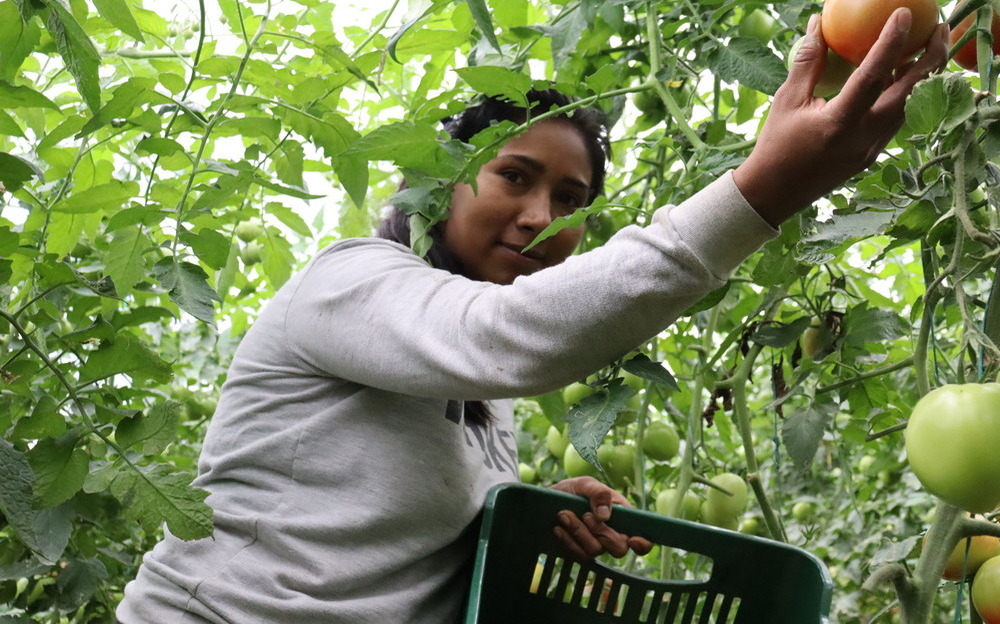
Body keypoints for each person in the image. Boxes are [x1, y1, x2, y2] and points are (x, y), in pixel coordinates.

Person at [117, 10, 949, 624]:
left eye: (570, 199)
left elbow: (381, 528)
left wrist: (515, 509)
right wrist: (764, 187)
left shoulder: (486, 401)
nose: (538, 214)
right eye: (513, 176)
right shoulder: (348, 283)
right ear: (442, 182)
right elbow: (504, 336)